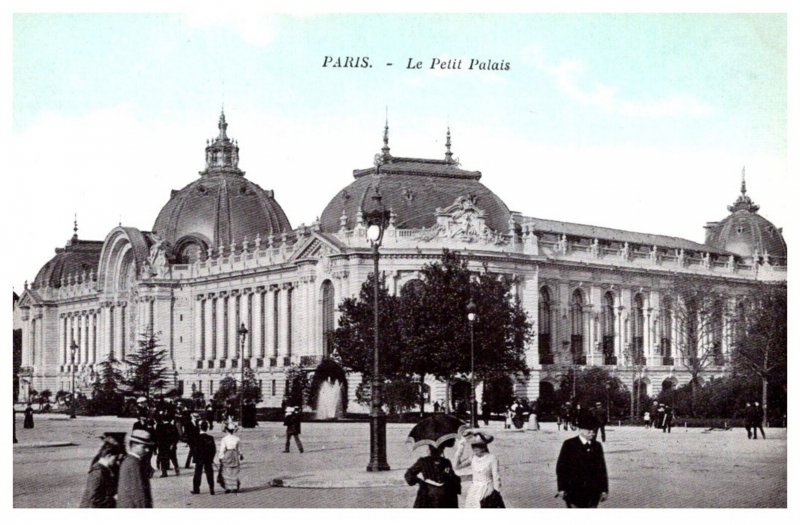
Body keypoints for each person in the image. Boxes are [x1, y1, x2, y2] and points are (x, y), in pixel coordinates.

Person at [556, 413, 609, 508]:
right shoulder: (569, 444)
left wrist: (604, 490)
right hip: (573, 491)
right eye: (589, 431)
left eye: (593, 430)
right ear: (580, 430)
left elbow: (602, 469)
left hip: (593, 492)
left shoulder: (597, 446)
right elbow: (561, 468)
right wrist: (561, 488)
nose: (592, 433)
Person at [455, 430, 503, 508]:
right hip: (473, 490)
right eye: (473, 446)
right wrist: (461, 447)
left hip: (487, 490)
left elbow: (496, 477)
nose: (474, 448)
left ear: (484, 447)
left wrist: (495, 493)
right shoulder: (473, 457)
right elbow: (457, 466)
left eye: (477, 446)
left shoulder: (492, 458)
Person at [80, 433, 126, 508]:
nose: (117, 460)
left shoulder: (105, 469)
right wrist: (113, 499)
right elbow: (94, 498)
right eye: (115, 458)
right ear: (108, 456)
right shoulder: (98, 472)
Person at [117, 429, 155, 508]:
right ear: (134, 445)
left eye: (148, 447)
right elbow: (139, 494)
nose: (147, 450)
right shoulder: (134, 464)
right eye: (144, 447)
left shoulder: (129, 460)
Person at [191, 421, 216, 495]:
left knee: (197, 473)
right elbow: (213, 449)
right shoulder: (210, 438)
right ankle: (211, 489)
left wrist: (195, 457)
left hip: (199, 458)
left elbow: (194, 449)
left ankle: (196, 489)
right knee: (209, 473)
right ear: (207, 428)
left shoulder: (196, 438)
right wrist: (211, 458)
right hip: (208, 458)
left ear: (200, 427)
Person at [217, 423, 243, 493]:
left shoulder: (224, 439)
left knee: (226, 471)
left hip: (227, 454)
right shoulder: (237, 438)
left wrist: (220, 457)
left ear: (227, 430)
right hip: (234, 454)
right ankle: (234, 487)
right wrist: (241, 455)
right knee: (234, 471)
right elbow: (238, 449)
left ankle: (228, 487)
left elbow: (222, 449)